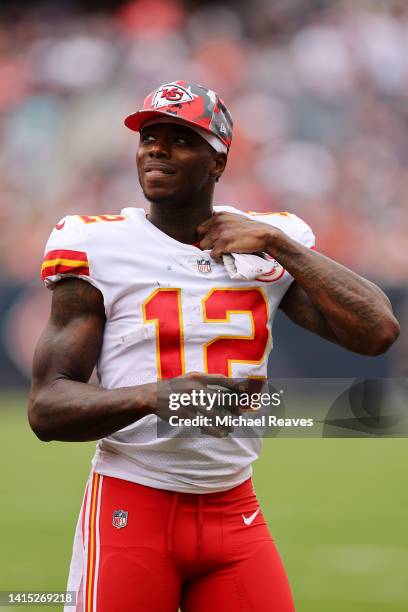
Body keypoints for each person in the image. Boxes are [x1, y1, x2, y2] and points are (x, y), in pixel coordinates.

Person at [29, 80, 399, 612]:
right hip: (133, 503)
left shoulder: (265, 243)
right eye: (149, 137)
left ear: (218, 162)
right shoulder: (97, 244)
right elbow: (46, 409)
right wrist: (154, 396)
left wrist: (279, 244)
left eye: (180, 138)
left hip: (234, 509)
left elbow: (377, 332)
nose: (156, 149)